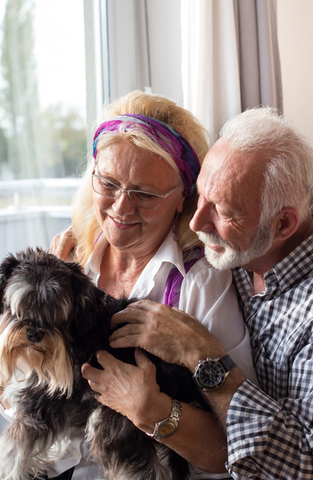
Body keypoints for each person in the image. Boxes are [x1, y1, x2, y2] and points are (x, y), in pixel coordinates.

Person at [30, 90, 258, 479]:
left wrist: (150, 410)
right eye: (108, 183)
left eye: (145, 193)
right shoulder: (70, 259)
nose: (120, 207)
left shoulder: (200, 283)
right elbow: (12, 391)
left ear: (182, 199)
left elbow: (236, 449)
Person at [108, 106, 313, 480]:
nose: (196, 221)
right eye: (200, 195)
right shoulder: (239, 255)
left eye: (222, 211)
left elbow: (302, 464)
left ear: (283, 223)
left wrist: (204, 357)